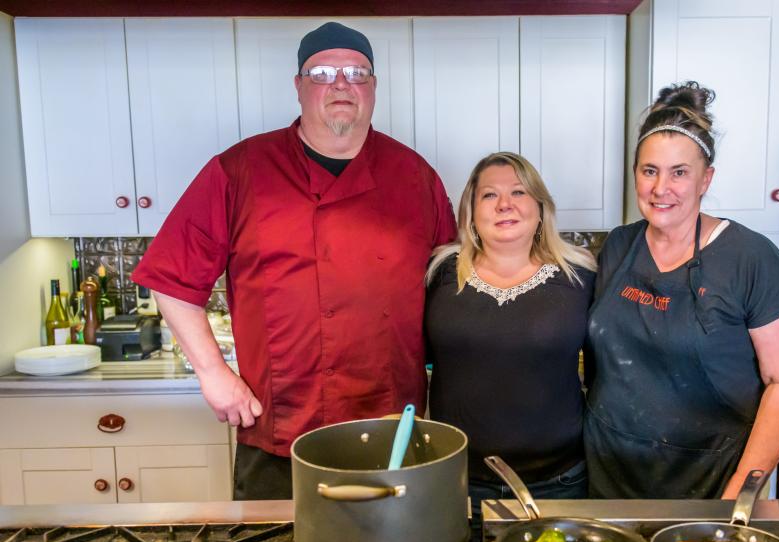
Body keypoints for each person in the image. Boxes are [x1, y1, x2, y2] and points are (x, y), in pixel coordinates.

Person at [132, 22, 456, 499]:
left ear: (374, 89)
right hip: (280, 428)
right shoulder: (240, 170)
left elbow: (450, 286)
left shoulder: (415, 176)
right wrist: (213, 373)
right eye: (323, 72)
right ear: (299, 87)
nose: (342, 83)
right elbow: (171, 279)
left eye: (357, 72)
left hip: (392, 429)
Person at [584, 82, 779, 500]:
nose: (660, 188)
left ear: (706, 178)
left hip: (708, 481)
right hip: (608, 473)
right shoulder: (619, 245)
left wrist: (740, 495)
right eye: (649, 170)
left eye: (679, 173)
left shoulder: (751, 258)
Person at [425, 152, 596, 516]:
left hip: (559, 482)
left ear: (540, 208)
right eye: (489, 195)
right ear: (471, 211)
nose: (505, 205)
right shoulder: (439, 272)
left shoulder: (581, 276)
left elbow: (606, 372)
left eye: (518, 192)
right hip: (455, 479)